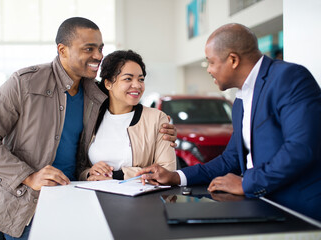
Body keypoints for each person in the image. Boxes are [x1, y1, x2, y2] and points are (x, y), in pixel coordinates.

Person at [0, 17, 177, 239]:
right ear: (63, 50)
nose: (98, 56)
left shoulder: (96, 95)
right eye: (89, 48)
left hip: (75, 199)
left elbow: (124, 112)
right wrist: (28, 176)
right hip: (26, 206)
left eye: (100, 48)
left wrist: (161, 126)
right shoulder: (25, 83)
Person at [137, 23, 321, 221]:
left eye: (211, 62)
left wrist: (246, 183)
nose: (208, 69)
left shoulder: (289, 78)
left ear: (233, 60)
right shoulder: (240, 101)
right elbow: (230, 159)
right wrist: (176, 176)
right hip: (258, 205)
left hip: (298, 210)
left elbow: (301, 148)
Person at [79, 50, 176, 181]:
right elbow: (80, 167)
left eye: (141, 79)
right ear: (108, 83)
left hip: (139, 199)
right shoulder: (92, 118)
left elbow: (168, 171)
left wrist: (117, 175)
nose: (137, 85)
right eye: (128, 79)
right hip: (96, 196)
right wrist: (90, 173)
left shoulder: (157, 119)